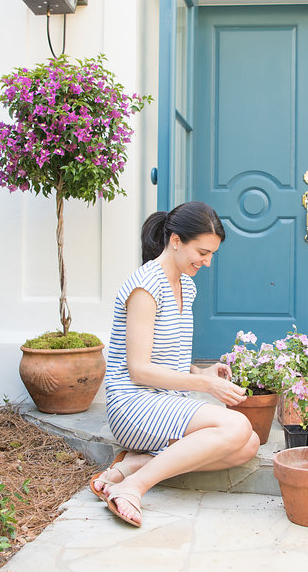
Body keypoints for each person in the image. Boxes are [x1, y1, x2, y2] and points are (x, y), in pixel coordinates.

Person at [92, 201, 259, 526]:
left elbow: (167, 357)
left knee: (247, 445)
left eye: (212, 254)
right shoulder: (145, 286)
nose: (208, 262)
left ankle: (132, 466)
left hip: (165, 402)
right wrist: (207, 385)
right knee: (237, 426)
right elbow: (139, 370)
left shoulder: (186, 286)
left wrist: (202, 371)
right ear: (176, 240)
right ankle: (131, 489)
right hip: (133, 405)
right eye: (203, 251)